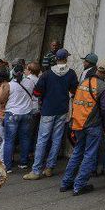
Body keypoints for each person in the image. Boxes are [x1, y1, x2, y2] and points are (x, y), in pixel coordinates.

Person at [60, 58, 105, 196]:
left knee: (77, 152)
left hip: (78, 123)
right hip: (93, 125)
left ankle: (66, 182)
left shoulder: (83, 82)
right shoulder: (103, 87)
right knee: (89, 155)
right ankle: (79, 185)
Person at [24, 49, 79, 180]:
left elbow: (37, 93)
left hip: (48, 109)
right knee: (57, 138)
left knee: (42, 139)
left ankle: (36, 170)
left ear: (55, 59)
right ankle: (49, 167)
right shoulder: (71, 73)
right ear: (66, 59)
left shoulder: (47, 74)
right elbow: (74, 90)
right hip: (62, 109)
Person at [2, 63, 35, 173]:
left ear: (13, 73)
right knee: (25, 139)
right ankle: (23, 163)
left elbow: (1, 100)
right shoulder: (30, 83)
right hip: (27, 114)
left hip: (12, 114)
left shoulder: (9, 85)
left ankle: (7, 166)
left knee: (9, 140)